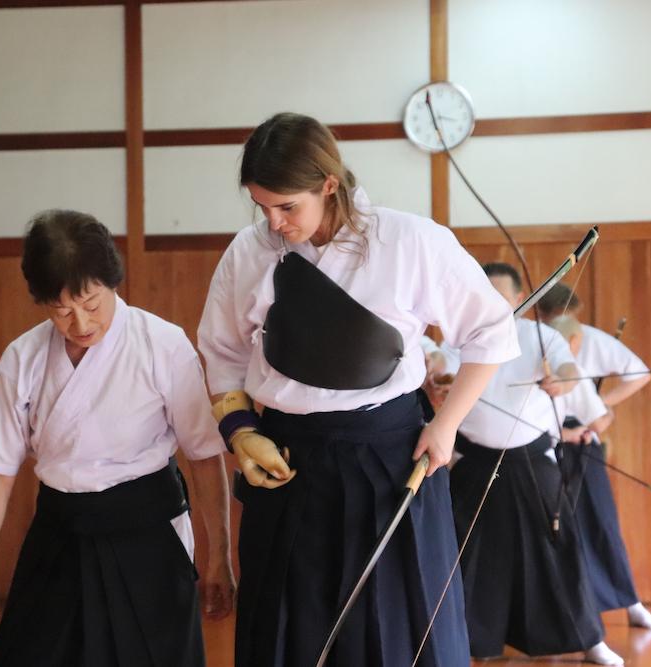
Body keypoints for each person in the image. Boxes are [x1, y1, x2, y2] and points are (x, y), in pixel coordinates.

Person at [197, 112, 519, 667]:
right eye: (262, 207)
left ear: (328, 184)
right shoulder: (248, 252)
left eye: (287, 207)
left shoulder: (410, 240)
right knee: (286, 632)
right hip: (286, 459)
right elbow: (222, 353)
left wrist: (446, 426)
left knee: (397, 630)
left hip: (390, 459)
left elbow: (492, 330)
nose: (274, 222)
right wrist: (242, 433)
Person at [0, 210, 235, 666]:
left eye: (91, 304)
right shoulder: (23, 358)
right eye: (62, 311)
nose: (81, 323)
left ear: (112, 282)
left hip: (148, 536)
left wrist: (219, 554)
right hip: (59, 534)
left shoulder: (162, 343)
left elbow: (204, 456)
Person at [448, 263, 624, 665]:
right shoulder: (460, 338)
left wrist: (563, 380)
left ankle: (589, 639)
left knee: (558, 550)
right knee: (466, 555)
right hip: (475, 463)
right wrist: (437, 376)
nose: (494, 303)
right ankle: (466, 644)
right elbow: (439, 364)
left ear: (518, 298)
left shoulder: (540, 336)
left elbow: (567, 369)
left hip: (530, 461)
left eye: (502, 296)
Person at [538, 286, 651, 631]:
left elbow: (639, 373)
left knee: (601, 521)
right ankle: (564, 610)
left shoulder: (590, 339)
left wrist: (602, 404)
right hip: (539, 440)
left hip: (584, 437)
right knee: (551, 527)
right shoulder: (537, 341)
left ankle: (630, 601)